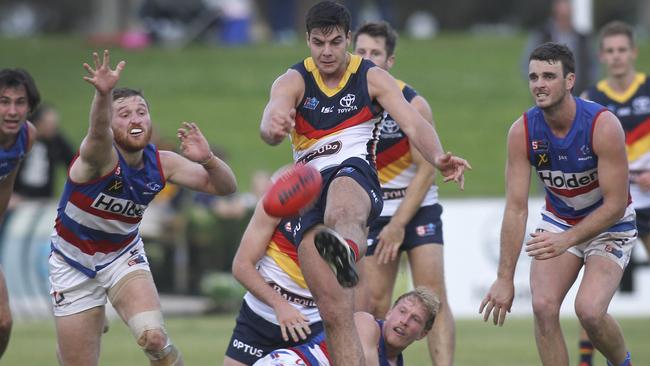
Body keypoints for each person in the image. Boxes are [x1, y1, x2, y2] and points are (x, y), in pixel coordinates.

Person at [259, 2, 469, 365]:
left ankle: (346, 251)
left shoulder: (370, 76)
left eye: (335, 42)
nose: (327, 52)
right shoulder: (292, 80)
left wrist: (437, 156)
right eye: (318, 43)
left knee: (344, 204)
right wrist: (273, 127)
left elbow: (414, 124)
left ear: (348, 40)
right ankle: (339, 255)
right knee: (337, 313)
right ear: (307, 40)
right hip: (308, 194)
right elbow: (272, 114)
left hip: (355, 172)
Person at [48, 50, 237, 366]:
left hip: (122, 255)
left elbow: (224, 187)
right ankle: (83, 329)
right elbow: (96, 134)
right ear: (109, 121)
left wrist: (207, 159)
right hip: (72, 262)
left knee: (154, 338)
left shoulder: (162, 163)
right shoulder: (97, 158)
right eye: (123, 114)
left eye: (141, 112)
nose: (135, 119)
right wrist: (103, 94)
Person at [479, 42, 635, 366]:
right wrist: (504, 277)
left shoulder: (602, 125)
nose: (539, 84)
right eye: (534, 76)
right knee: (543, 307)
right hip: (560, 219)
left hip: (610, 224)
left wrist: (566, 240)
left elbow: (617, 204)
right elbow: (516, 208)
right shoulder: (521, 131)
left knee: (589, 311)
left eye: (549, 76)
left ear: (569, 81)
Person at [352, 21, 454, 366]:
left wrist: (398, 224)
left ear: (390, 60)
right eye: (361, 52)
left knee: (433, 297)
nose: (368, 59)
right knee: (375, 302)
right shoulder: (346, 106)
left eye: (375, 53)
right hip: (374, 211)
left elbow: (427, 169)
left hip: (417, 207)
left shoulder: (413, 103)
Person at [578, 20, 649, 366]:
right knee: (590, 296)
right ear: (601, 56)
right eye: (611, 51)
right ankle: (585, 360)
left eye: (623, 50)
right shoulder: (591, 99)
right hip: (610, 204)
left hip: (648, 200)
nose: (617, 57)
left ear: (633, 53)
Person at [224, 175, 323, 365]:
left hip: (312, 325)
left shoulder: (345, 211)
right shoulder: (280, 200)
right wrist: (281, 305)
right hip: (259, 319)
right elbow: (242, 265)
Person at [254, 286, 439, 366]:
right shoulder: (366, 324)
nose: (404, 321)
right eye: (402, 311)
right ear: (389, 313)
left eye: (415, 319)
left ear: (423, 334)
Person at [0, 68, 39, 359]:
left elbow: (7, 179)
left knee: (3, 323)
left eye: (20, 102)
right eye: (4, 102)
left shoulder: (27, 136)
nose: (12, 111)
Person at [521, 0, 598, 95]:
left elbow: (594, 67)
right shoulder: (542, 36)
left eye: (566, 16)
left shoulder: (582, 39)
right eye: (561, 16)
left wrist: (587, 90)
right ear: (555, 14)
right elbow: (526, 65)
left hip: (577, 96)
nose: (564, 20)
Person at [12, 104, 75, 201]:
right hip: (17, 195)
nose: (54, 127)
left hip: (45, 197)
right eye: (50, 124)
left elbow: (73, 163)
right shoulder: (20, 138)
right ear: (38, 123)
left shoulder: (57, 140)